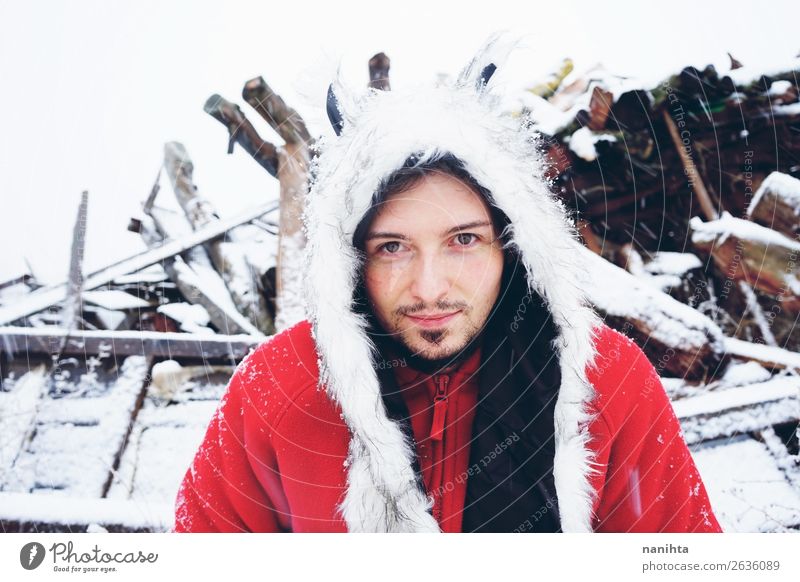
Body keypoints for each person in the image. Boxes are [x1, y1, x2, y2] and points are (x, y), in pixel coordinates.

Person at [173, 40, 722, 533]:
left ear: (511, 243)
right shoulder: (275, 388)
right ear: (349, 257)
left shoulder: (604, 379)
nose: (429, 288)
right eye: (392, 247)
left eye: (463, 240)